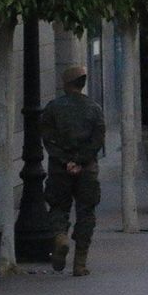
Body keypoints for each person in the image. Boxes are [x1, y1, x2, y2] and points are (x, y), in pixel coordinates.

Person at [40, 65, 106, 276]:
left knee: (58, 207)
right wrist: (80, 160)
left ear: (65, 84)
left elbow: (48, 138)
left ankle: (61, 237)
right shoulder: (94, 108)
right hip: (87, 169)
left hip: (59, 169)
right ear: (83, 84)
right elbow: (97, 140)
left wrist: (65, 161)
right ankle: (80, 263)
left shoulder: (53, 108)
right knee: (86, 212)